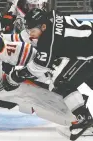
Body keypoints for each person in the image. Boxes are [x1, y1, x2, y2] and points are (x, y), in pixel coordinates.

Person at [7, 8, 93, 139]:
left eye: (33, 31)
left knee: (62, 82)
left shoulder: (49, 38)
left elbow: (40, 66)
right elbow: (30, 37)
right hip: (87, 50)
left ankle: (85, 121)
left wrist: (19, 75)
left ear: (43, 26)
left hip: (88, 55)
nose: (31, 34)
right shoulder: (50, 17)